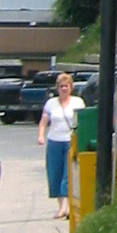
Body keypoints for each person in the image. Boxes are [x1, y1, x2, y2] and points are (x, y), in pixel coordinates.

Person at [37, 73, 84, 218]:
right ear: (57, 88)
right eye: (61, 86)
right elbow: (44, 121)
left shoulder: (78, 102)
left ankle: (70, 207)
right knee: (55, 173)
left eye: (67, 86)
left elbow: (82, 122)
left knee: (68, 173)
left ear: (71, 87)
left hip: (71, 141)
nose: (64, 89)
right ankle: (61, 207)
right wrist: (40, 135)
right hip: (54, 142)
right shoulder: (51, 103)